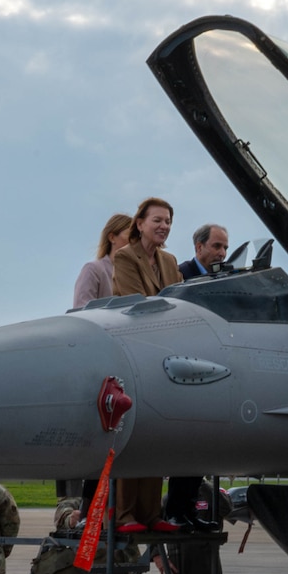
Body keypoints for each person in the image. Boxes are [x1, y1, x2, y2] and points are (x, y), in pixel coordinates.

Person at [110, 197, 184, 532]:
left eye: (168, 220)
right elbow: (138, 303)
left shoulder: (170, 261)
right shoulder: (125, 257)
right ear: (139, 224)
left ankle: (152, 514)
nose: (164, 226)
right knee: (135, 434)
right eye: (157, 220)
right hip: (134, 354)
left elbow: (182, 302)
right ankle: (126, 515)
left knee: (160, 432)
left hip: (166, 354)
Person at [72, 213, 135, 309]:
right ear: (112, 238)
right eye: (130, 235)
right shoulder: (93, 270)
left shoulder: (138, 276)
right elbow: (81, 311)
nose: (135, 241)